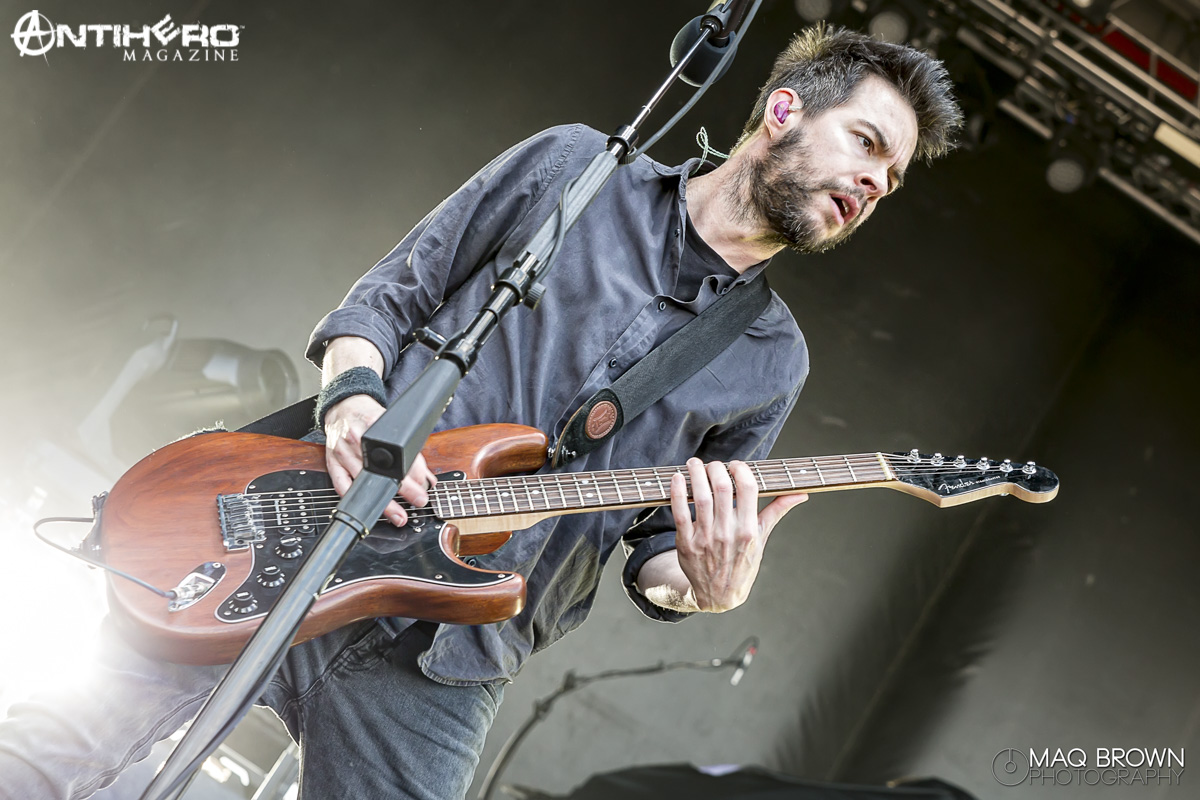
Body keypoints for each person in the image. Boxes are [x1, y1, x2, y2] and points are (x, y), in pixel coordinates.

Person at [0, 24, 961, 800]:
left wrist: (710, 587)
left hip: (452, 655)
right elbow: (384, 304)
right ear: (784, 111)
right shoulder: (579, 171)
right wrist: (352, 406)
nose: (875, 184)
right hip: (302, 538)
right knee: (41, 757)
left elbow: (659, 558)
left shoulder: (770, 359)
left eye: (892, 179)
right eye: (867, 144)